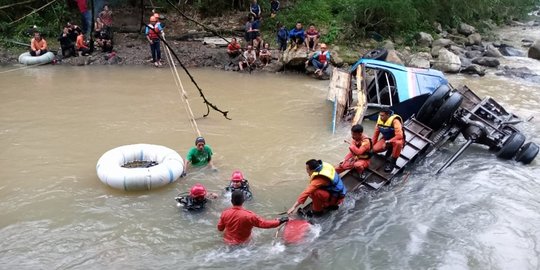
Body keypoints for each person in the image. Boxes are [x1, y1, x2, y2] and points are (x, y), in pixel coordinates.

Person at [218, 190, 288, 245]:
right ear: (243, 200)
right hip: (244, 245)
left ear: (231, 201)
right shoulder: (249, 216)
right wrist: (280, 221)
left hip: (228, 243)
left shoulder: (225, 213)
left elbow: (220, 228)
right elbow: (264, 224)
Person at [372, 108, 404, 172]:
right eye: (380, 115)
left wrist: (389, 142)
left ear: (388, 115)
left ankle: (392, 163)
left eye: (382, 115)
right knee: (375, 149)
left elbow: (400, 135)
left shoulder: (395, 121)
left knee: (398, 143)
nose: (381, 117)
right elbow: (375, 135)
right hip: (386, 138)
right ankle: (390, 148)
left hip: (396, 139)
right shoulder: (379, 120)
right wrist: (371, 147)